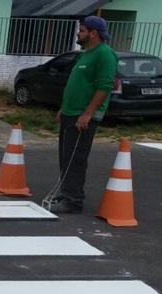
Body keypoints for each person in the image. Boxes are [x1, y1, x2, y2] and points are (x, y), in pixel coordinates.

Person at [47, 16, 117, 214]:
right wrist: (64, 107)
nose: (78, 33)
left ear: (93, 33)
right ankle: (66, 191)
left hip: (82, 116)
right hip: (71, 113)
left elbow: (104, 86)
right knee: (66, 155)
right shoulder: (86, 54)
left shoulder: (104, 55)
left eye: (82, 30)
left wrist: (87, 114)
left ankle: (73, 199)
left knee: (76, 157)